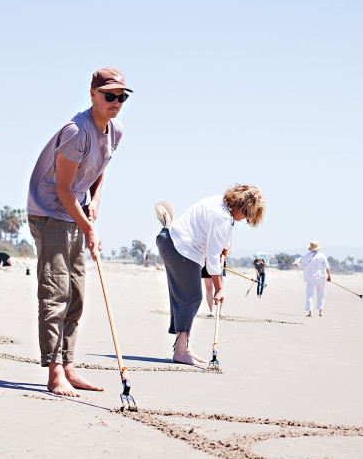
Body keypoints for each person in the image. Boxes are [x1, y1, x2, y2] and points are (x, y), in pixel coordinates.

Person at [26, 67, 131, 397]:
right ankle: (54, 373)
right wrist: (89, 228)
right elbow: (62, 188)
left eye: (121, 96)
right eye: (109, 95)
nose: (116, 101)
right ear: (93, 95)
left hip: (74, 213)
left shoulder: (115, 131)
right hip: (49, 212)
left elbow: (100, 170)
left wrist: (95, 201)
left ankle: (68, 366)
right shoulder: (76, 131)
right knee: (56, 292)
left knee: (78, 295)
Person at [156, 185, 265, 366]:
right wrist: (219, 288)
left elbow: (210, 239)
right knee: (191, 297)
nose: (245, 219)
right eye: (246, 213)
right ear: (240, 205)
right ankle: (181, 352)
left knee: (183, 297)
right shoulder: (222, 216)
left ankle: (183, 348)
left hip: (170, 241)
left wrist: (222, 247)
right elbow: (213, 259)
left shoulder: (219, 204)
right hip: (180, 248)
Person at [294, 241, 331, 317]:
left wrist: (297, 264)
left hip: (310, 277)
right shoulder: (322, 255)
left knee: (309, 295)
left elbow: (301, 266)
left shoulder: (306, 256)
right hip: (321, 277)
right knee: (321, 294)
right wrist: (329, 276)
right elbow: (327, 266)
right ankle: (320, 312)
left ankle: (310, 312)